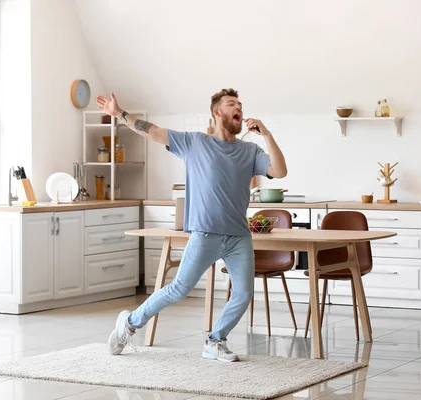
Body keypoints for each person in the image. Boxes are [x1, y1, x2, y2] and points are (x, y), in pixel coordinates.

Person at [95, 88, 287, 362]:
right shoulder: (195, 143)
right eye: (232, 104)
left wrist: (267, 135)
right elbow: (153, 131)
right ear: (217, 112)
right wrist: (119, 114)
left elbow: (279, 171)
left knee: (243, 293)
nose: (239, 109)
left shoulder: (250, 151)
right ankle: (130, 322)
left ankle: (215, 340)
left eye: (241, 105)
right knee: (178, 289)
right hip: (205, 233)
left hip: (238, 237)